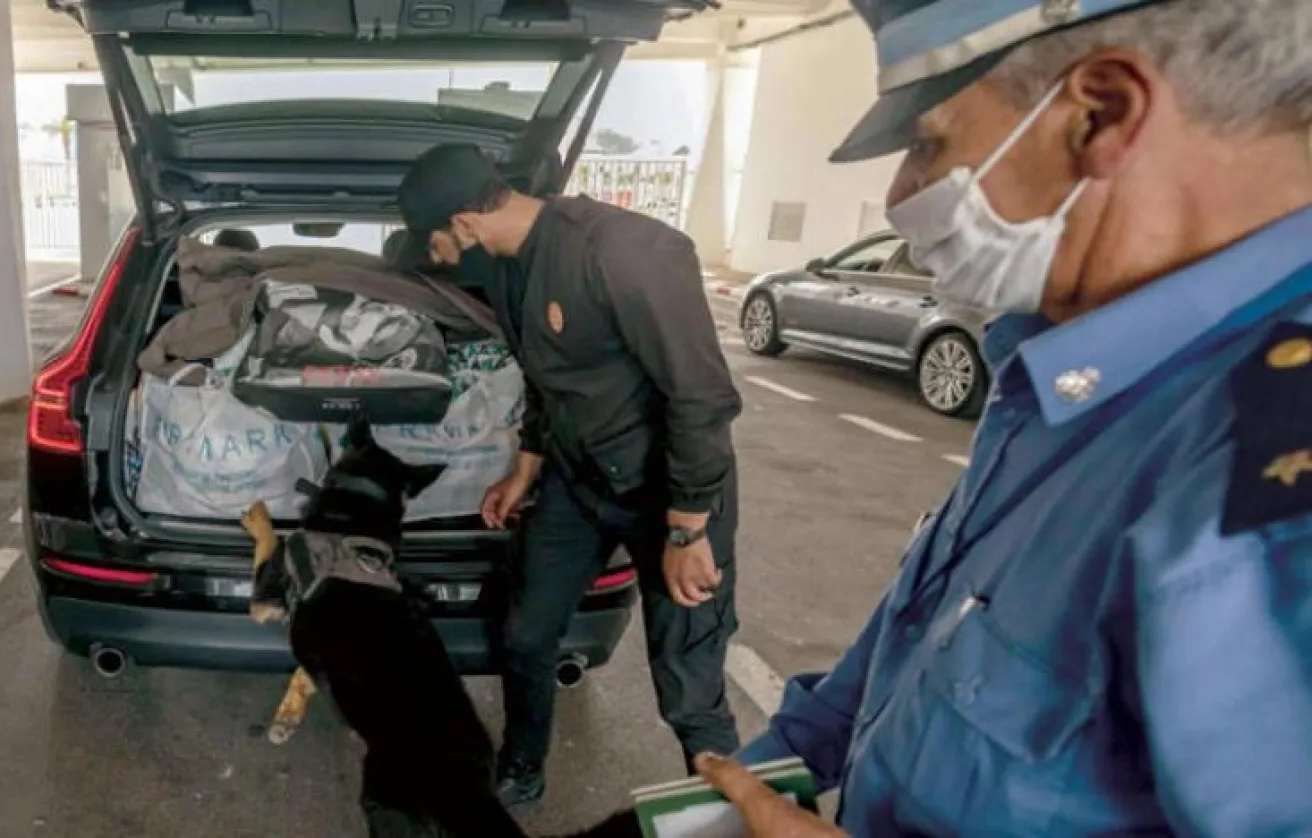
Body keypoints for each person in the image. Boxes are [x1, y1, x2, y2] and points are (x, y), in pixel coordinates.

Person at [699, 0, 1312, 835]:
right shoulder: (1070, 375)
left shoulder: (1265, 483)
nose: (899, 197)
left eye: (927, 145)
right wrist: (745, 788)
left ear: (1102, 111)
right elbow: (919, 651)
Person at [395, 144, 744, 808]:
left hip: (673, 497)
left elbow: (702, 398)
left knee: (687, 682)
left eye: (434, 244)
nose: (438, 259)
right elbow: (547, 381)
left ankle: (728, 817)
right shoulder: (506, 268)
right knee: (526, 633)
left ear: (464, 223)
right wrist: (525, 469)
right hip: (578, 481)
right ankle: (522, 764)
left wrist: (687, 527)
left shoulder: (623, 252)